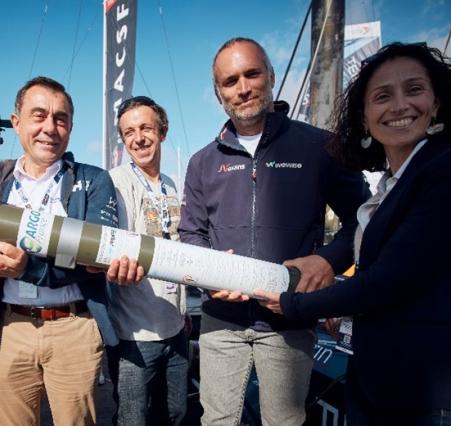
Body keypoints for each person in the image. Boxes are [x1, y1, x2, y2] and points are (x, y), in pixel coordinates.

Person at [255, 42, 451, 426]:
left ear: (436, 104)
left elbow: (390, 281)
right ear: (364, 119)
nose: (399, 106)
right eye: (382, 96)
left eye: (414, 90)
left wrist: (294, 303)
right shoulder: (391, 186)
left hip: (426, 393)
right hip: (377, 385)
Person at [178, 37, 369, 425]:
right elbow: (191, 236)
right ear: (218, 93)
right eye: (230, 81)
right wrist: (206, 279)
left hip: (290, 320)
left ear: (271, 76)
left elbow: (363, 220)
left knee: (284, 421)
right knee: (216, 421)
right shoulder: (201, 162)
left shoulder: (318, 146)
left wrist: (327, 261)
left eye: (252, 74)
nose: (243, 88)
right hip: (220, 320)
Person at [0, 76, 119, 425]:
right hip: (6, 327)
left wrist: (26, 269)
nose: (50, 127)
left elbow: (98, 257)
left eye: (60, 119)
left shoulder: (94, 181)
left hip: (73, 326)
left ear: (71, 127)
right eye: (39, 115)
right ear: (16, 123)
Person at [105, 96, 188, 425]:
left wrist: (182, 310)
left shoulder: (170, 184)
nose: (138, 138)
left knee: (176, 414)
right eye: (129, 132)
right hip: (134, 335)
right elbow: (114, 250)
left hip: (176, 327)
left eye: (145, 128)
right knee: (132, 419)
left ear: (162, 132)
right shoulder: (117, 182)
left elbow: (178, 247)